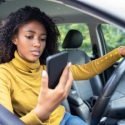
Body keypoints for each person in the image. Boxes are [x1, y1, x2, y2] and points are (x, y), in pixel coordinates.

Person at [0, 6, 125, 125]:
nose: (37, 44)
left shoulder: (48, 67)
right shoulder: (4, 74)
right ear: (14, 38)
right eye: (29, 36)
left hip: (66, 119)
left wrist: (118, 52)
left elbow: (88, 69)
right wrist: (41, 113)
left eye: (42, 39)